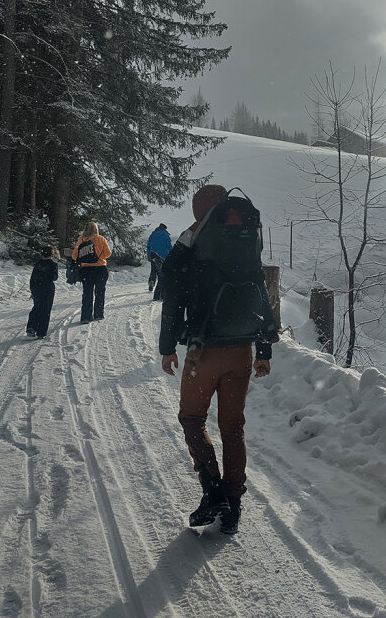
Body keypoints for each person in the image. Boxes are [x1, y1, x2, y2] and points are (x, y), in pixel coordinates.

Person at [159, 184, 278, 535]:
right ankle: (234, 506)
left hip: (202, 352)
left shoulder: (192, 243)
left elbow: (171, 295)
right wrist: (264, 349)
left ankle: (213, 493)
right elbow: (261, 293)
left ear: (199, 210)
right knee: (233, 427)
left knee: (192, 418)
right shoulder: (245, 240)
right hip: (241, 349)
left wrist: (168, 347)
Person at [72, 222, 111, 324]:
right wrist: (99, 256)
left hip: (86, 270)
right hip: (100, 269)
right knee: (100, 292)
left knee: (87, 293)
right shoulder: (101, 239)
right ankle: (98, 314)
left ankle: (86, 316)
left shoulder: (81, 240)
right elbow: (108, 253)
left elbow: (74, 256)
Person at [26, 246, 58, 338]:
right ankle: (41, 332)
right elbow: (54, 277)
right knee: (46, 310)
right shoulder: (53, 265)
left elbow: (32, 279)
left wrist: (32, 289)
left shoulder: (37, 264)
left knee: (36, 308)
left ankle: (31, 327)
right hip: (48, 289)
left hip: (37, 288)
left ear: (41, 254)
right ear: (52, 254)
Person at [146, 223, 172, 301]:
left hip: (153, 255)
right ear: (164, 229)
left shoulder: (153, 234)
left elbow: (148, 246)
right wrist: (172, 255)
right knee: (162, 275)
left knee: (153, 270)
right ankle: (159, 296)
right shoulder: (165, 235)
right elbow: (169, 246)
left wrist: (149, 256)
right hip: (162, 257)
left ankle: (152, 281)